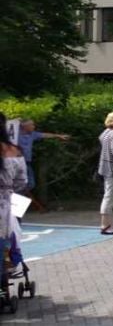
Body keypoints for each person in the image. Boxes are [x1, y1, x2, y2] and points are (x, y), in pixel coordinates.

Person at [0, 113, 28, 273]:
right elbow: (22, 182)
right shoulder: (14, 151)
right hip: (8, 199)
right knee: (13, 232)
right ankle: (11, 263)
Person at [17, 119, 69, 194]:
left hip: (26, 163)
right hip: (15, 162)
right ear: (25, 126)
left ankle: (13, 198)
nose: (33, 127)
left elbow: (44, 135)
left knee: (30, 184)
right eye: (32, 125)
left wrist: (58, 136)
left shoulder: (32, 134)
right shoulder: (15, 134)